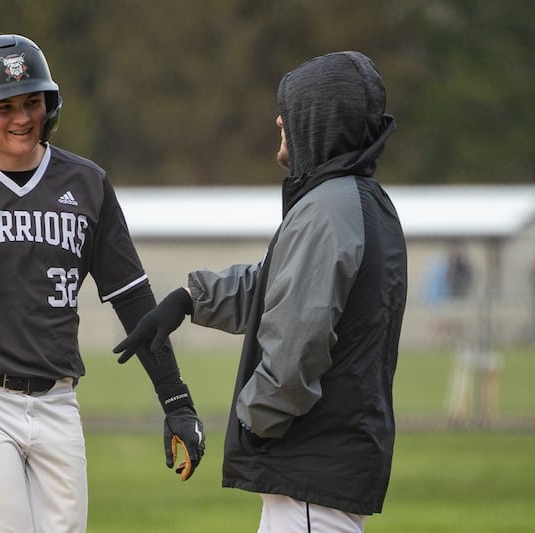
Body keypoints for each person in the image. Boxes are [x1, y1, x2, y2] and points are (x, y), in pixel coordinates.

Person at [0, 34, 204, 533]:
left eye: (33, 101)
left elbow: (134, 299)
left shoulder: (87, 184)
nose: (23, 117)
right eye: (4, 107)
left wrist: (177, 401)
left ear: (52, 104)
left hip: (58, 402)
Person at [114, 51, 407, 532]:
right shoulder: (356, 200)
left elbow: (298, 342)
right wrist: (189, 298)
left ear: (317, 121)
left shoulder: (327, 211)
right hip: (318, 477)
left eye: (289, 111)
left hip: (310, 473)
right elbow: (280, 286)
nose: (279, 120)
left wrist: (253, 419)